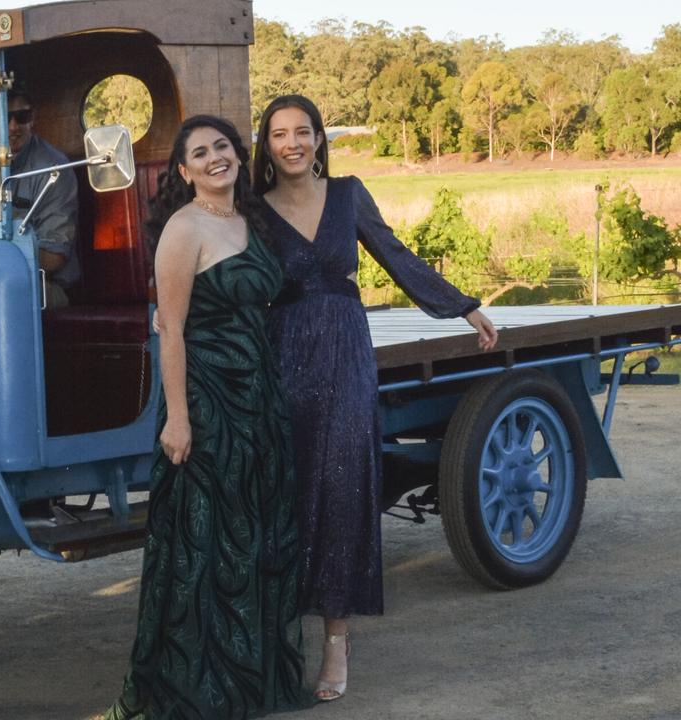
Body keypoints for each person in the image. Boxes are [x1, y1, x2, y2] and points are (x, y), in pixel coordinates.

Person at [250, 94, 498, 702]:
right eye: (279, 134)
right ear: (267, 143)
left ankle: (336, 636)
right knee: (287, 491)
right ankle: (283, 632)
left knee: (342, 488)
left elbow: (395, 255)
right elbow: (229, 278)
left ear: (318, 138)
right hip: (282, 358)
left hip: (344, 355)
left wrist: (460, 305)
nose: (292, 143)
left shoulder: (348, 194)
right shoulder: (253, 211)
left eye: (302, 132)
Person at [102, 115, 316, 720]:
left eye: (223, 146)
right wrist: (178, 418)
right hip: (207, 402)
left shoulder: (251, 221)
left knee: (257, 538)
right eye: (201, 152)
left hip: (260, 400)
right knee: (205, 546)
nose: (216, 157)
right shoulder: (183, 228)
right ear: (185, 170)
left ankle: (251, 682)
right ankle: (198, 691)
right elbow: (170, 328)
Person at [0, 89, 79, 308]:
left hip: (45, 283)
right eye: (4, 118)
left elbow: (55, 257)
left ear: (32, 118)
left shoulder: (55, 169)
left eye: (22, 117)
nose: (13, 126)